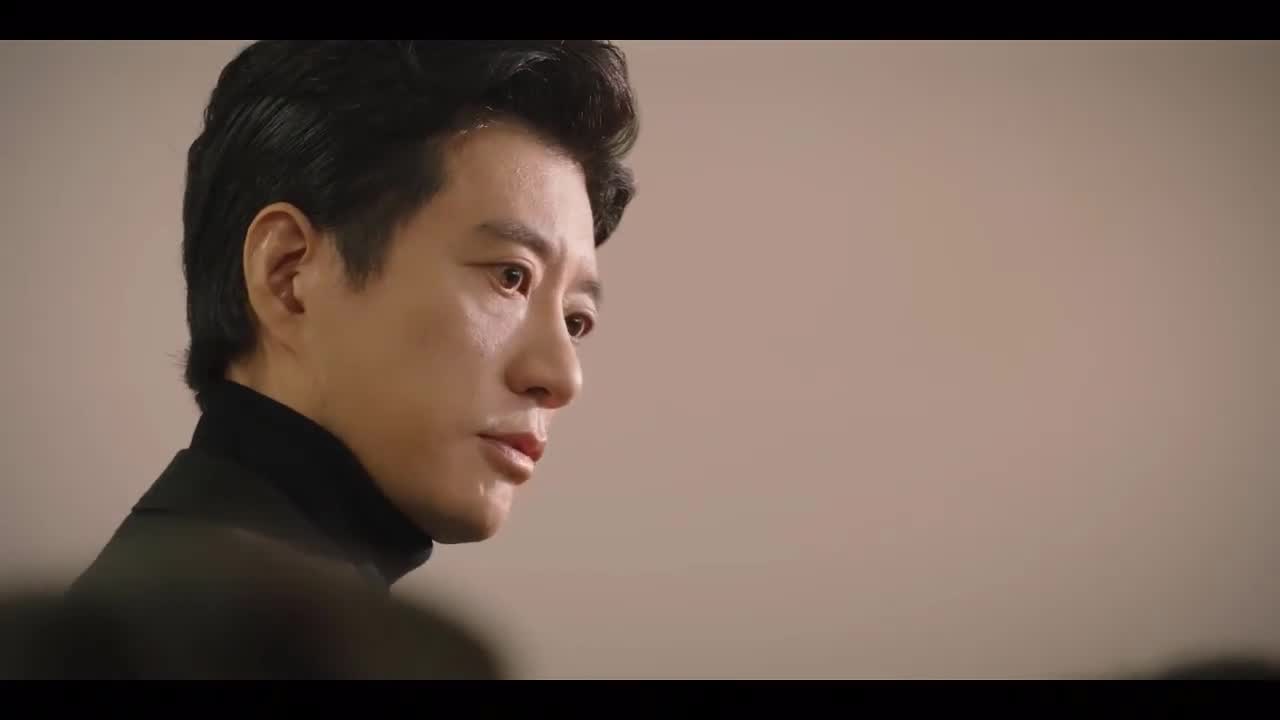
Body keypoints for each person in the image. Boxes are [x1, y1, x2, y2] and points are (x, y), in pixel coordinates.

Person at [66, 39, 639, 635]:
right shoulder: (206, 641)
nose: (561, 377)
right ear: (289, 274)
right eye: (510, 277)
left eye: (575, 321)